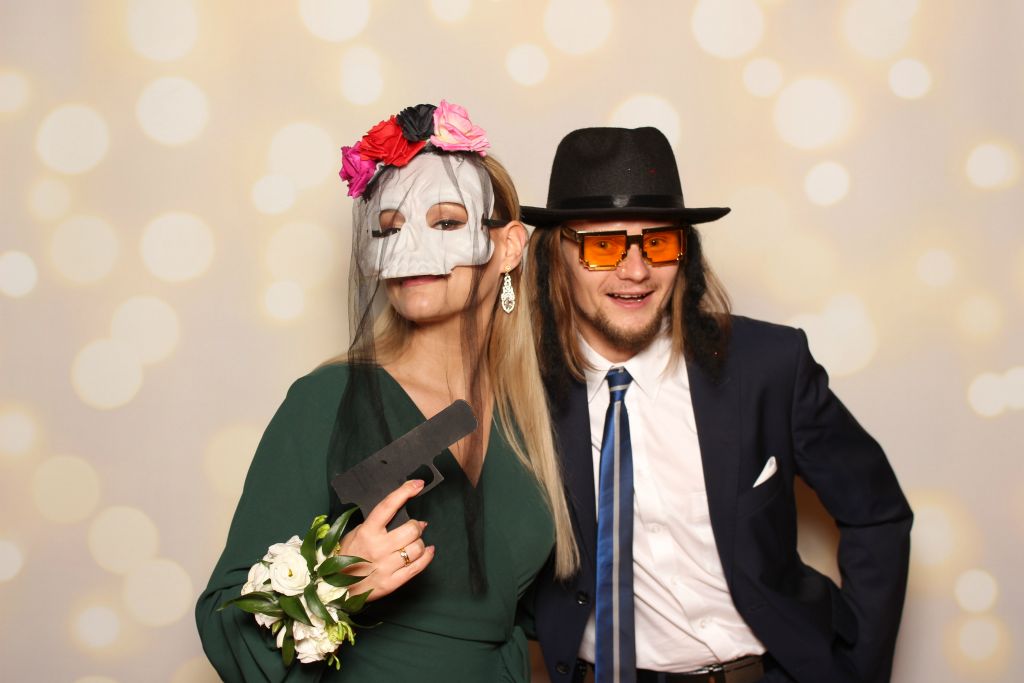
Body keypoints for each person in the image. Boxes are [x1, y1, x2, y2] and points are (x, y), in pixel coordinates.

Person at [196, 101, 577, 682]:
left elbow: (534, 619)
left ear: (508, 247)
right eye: (390, 227)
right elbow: (226, 615)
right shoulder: (327, 400)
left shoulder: (532, 416)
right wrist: (335, 582)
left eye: (446, 223)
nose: (410, 248)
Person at [522, 127, 913, 683]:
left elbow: (877, 513)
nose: (636, 271)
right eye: (603, 246)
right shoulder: (520, 390)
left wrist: (859, 670)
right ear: (555, 256)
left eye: (658, 243)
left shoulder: (768, 366)